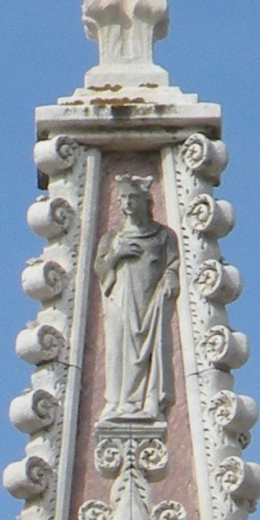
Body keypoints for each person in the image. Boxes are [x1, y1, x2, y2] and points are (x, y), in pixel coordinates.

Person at [94, 177, 179, 419]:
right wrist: (116, 256)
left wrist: (171, 277)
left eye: (133, 198)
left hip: (151, 303)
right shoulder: (112, 238)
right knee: (117, 348)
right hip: (120, 301)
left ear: (146, 201)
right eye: (123, 198)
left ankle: (150, 401)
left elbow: (173, 263)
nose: (127, 202)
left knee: (154, 347)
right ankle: (118, 402)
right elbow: (100, 268)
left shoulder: (164, 236)